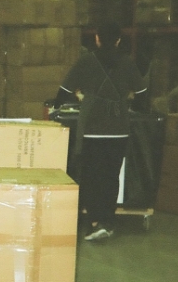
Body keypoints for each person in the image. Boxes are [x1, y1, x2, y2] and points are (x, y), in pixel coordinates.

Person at [53, 23, 148, 241]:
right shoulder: (127, 63)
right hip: (118, 131)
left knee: (91, 178)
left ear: (96, 39)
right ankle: (108, 221)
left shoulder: (86, 62)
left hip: (92, 131)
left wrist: (77, 99)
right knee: (111, 177)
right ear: (118, 41)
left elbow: (64, 92)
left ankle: (94, 223)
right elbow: (142, 95)